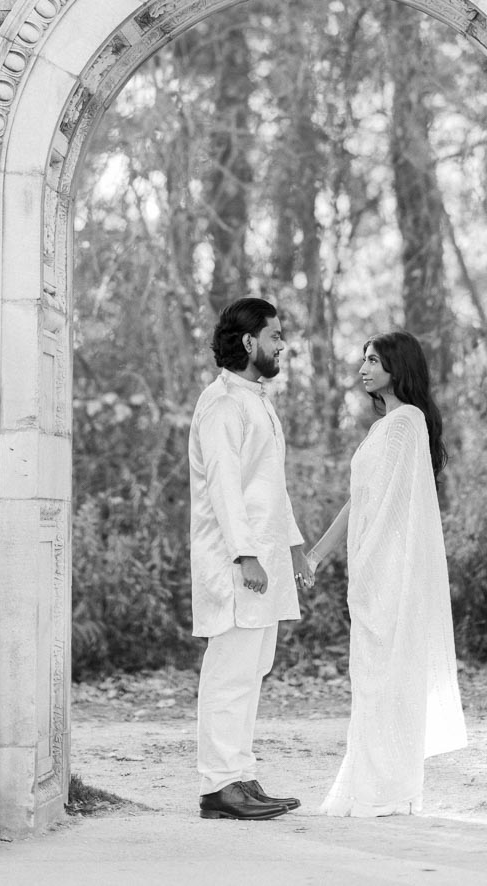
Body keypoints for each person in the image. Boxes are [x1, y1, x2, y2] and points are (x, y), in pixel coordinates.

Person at [306, 330, 467, 816]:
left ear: (399, 366)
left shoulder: (406, 423)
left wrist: (376, 564)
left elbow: (401, 507)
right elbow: (362, 502)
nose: (364, 368)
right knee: (372, 677)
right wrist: (316, 555)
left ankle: (388, 789)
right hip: (371, 568)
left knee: (391, 677)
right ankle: (373, 784)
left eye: (374, 360)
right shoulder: (384, 427)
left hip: (393, 570)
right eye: (364, 360)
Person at [188, 296, 313, 820]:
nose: (282, 345)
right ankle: (219, 787)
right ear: (248, 342)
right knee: (230, 671)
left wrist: (295, 545)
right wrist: (246, 555)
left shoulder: (255, 398)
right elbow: (224, 490)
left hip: (266, 558)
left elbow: (268, 487)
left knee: (254, 668)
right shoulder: (221, 405)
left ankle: (240, 775)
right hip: (237, 562)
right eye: (275, 335)